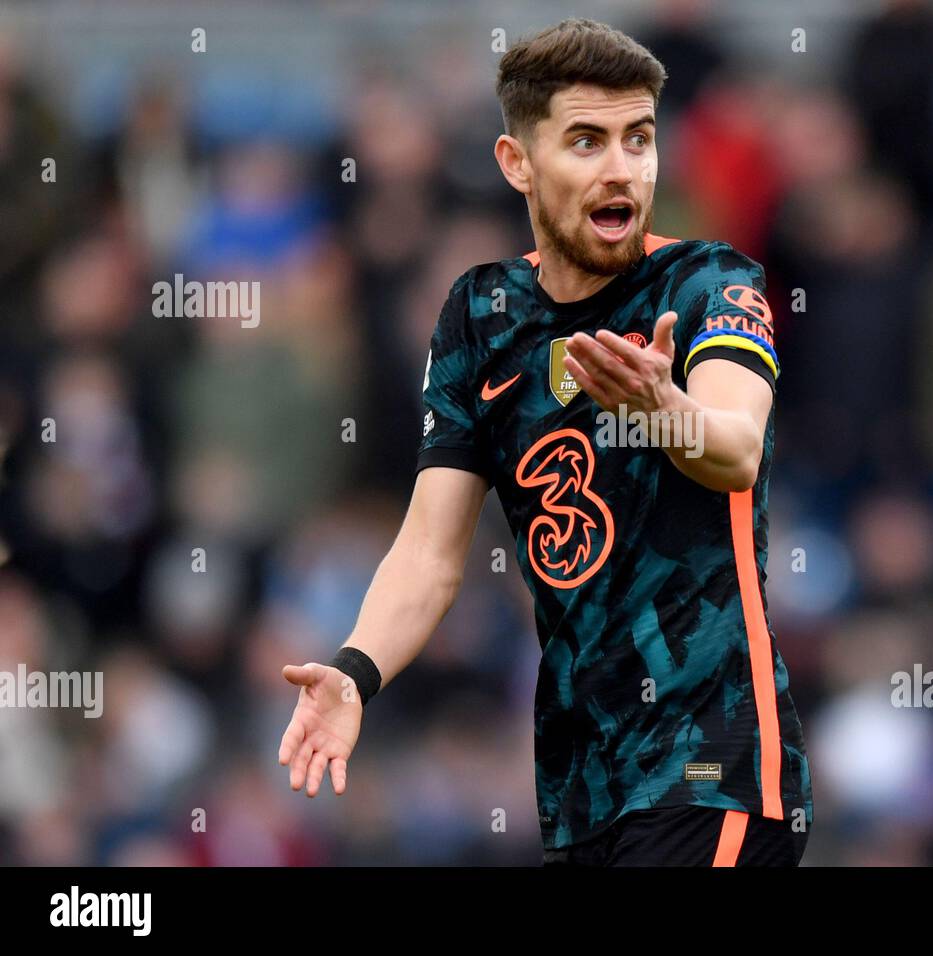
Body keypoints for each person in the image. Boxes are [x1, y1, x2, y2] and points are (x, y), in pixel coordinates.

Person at [277, 17, 812, 867]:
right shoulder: (480, 318)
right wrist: (354, 670)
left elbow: (736, 445)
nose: (621, 168)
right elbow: (429, 551)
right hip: (579, 785)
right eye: (587, 141)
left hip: (713, 764)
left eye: (639, 140)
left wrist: (662, 408)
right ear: (517, 162)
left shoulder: (709, 282)